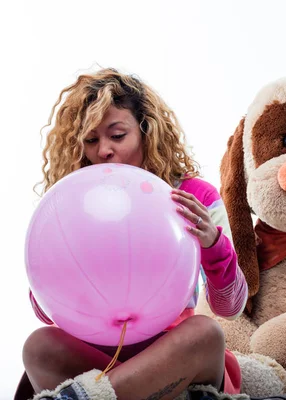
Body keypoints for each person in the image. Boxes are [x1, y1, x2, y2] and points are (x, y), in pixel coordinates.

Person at [15, 68, 248, 400]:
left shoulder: (194, 195)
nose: (104, 150)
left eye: (117, 135)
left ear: (146, 133)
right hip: (98, 359)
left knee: (206, 332)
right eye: (91, 140)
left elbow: (230, 306)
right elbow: (45, 313)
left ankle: (83, 396)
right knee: (39, 346)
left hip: (174, 359)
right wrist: (51, 265)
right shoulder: (73, 203)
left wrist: (213, 243)